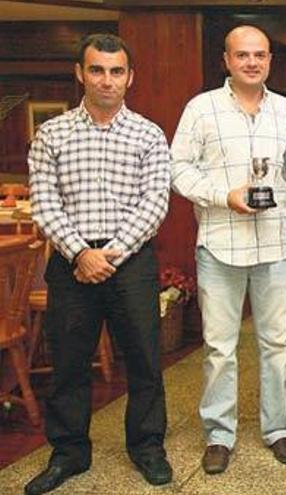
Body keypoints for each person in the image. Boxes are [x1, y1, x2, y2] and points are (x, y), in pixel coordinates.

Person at [26, 33, 172, 495]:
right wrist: (80, 253)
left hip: (130, 261)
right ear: (80, 73)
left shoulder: (148, 133)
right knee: (68, 364)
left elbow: (155, 202)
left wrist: (111, 253)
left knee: (145, 362)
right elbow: (43, 201)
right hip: (72, 263)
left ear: (129, 77)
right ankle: (69, 453)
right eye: (96, 70)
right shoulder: (52, 133)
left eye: (115, 71)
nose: (106, 80)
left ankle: (148, 447)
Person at [170, 25, 286, 474]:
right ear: (226, 60)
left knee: (278, 343)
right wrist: (221, 195)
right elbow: (178, 170)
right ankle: (219, 434)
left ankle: (278, 428)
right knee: (219, 347)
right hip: (220, 243)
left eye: (260, 55)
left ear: (269, 60)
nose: (252, 62)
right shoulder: (201, 108)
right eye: (243, 55)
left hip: (274, 244)